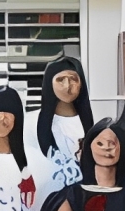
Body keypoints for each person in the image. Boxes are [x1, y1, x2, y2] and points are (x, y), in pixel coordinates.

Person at [27, 56, 94, 198]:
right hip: (46, 198)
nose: (67, 85)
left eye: (73, 79)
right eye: (60, 79)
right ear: (49, 82)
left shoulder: (95, 124)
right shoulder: (29, 122)